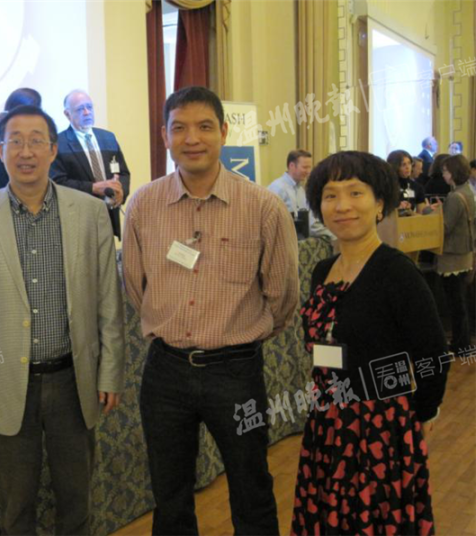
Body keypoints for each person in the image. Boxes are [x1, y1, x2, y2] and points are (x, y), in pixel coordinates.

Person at [123, 86, 299, 535]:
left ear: (223, 132)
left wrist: (238, 336)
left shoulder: (262, 206)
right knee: (169, 494)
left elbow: (282, 296)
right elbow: (136, 287)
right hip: (165, 372)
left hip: (235, 372)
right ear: (165, 136)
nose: (192, 138)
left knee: (251, 485)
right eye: (179, 128)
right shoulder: (143, 204)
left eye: (204, 127)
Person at [0, 105, 125, 535]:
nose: (25, 151)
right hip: (7, 383)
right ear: (0, 151)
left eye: (36, 141)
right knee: (16, 506)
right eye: (15, 141)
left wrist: (110, 373)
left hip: (73, 380)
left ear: (53, 150)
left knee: (77, 501)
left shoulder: (89, 213)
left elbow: (109, 303)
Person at [292, 151, 450, 535]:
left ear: (379, 203)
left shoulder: (397, 272)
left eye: (355, 193)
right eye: (330, 195)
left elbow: (433, 355)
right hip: (328, 419)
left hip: (380, 427)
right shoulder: (322, 270)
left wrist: (422, 415)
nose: (342, 206)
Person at [49, 90, 130, 239]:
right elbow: (58, 183)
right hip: (78, 220)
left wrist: (121, 192)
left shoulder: (108, 137)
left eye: (89, 107)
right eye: (80, 109)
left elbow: (123, 173)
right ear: (67, 114)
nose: (87, 112)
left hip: (109, 216)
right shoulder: (58, 143)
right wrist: (93, 188)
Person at [437, 154, 475, 353]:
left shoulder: (454, 197)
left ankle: (461, 343)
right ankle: (464, 341)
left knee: (456, 302)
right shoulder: (468, 191)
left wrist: (430, 213)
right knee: (461, 300)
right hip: (466, 252)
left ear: (453, 173)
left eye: (445, 171)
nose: (443, 175)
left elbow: (445, 227)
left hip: (452, 256)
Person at [268, 149, 335, 239]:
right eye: (305, 167)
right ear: (292, 166)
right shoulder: (277, 188)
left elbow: (310, 222)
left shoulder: (300, 189)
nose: (308, 171)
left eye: (309, 167)